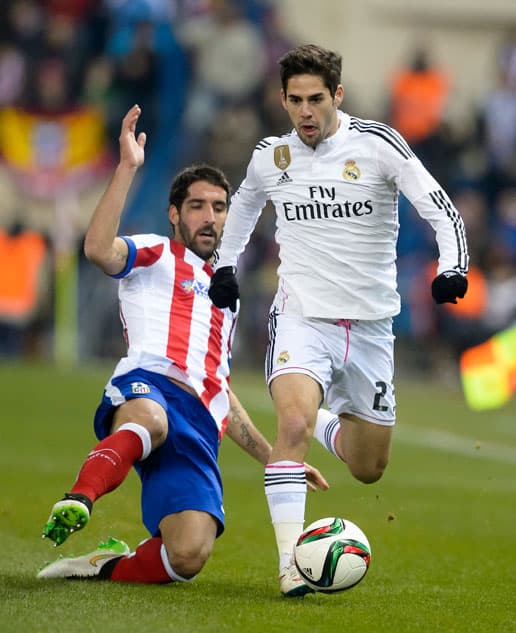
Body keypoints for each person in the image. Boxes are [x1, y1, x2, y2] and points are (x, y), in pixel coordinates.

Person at [208, 44, 469, 597]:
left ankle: (331, 422)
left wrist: (452, 268)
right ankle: (289, 566)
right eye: (295, 100)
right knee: (292, 427)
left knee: (368, 466)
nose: (305, 112)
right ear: (282, 99)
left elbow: (439, 205)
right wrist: (225, 266)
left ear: (338, 96)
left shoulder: (377, 145)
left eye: (316, 99)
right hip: (301, 316)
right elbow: (246, 204)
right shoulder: (270, 156)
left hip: (372, 328)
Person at [37, 104, 328, 585]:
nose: (210, 218)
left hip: (199, 423)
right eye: (197, 206)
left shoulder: (227, 293)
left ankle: (106, 564)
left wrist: (275, 458)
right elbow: (97, 250)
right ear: (175, 214)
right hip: (148, 385)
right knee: (150, 420)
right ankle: (79, 498)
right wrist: (128, 167)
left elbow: (220, 389)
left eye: (219, 207)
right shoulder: (155, 252)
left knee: (189, 555)